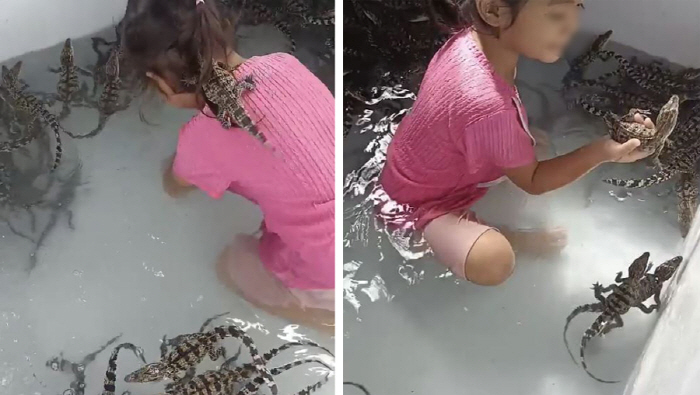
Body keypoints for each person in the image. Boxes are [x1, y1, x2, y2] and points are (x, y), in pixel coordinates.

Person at [379, 0, 653, 286]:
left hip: (410, 170)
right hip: (412, 210)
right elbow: (534, 181)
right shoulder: (488, 107)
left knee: (536, 143)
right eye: (556, 14)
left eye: (577, 9)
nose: (571, 26)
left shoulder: (466, 42)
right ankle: (514, 238)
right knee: (492, 261)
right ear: (493, 10)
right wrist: (603, 150)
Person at [121, 0, 334, 333]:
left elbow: (174, 187)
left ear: (162, 85)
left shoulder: (206, 133)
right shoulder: (284, 63)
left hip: (322, 267)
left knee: (228, 265)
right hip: (346, 224)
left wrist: (179, 161)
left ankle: (319, 316)